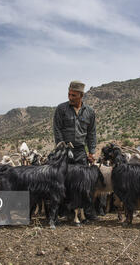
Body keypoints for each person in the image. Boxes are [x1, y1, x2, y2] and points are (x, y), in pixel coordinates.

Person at [53, 80, 101, 219]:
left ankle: (87, 211)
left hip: (80, 151)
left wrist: (91, 151)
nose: (70, 97)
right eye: (69, 94)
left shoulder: (90, 112)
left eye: (74, 95)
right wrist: (61, 147)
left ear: (81, 96)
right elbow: (57, 129)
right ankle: (65, 212)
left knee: (83, 181)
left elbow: (92, 133)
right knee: (64, 181)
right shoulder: (61, 109)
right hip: (64, 150)